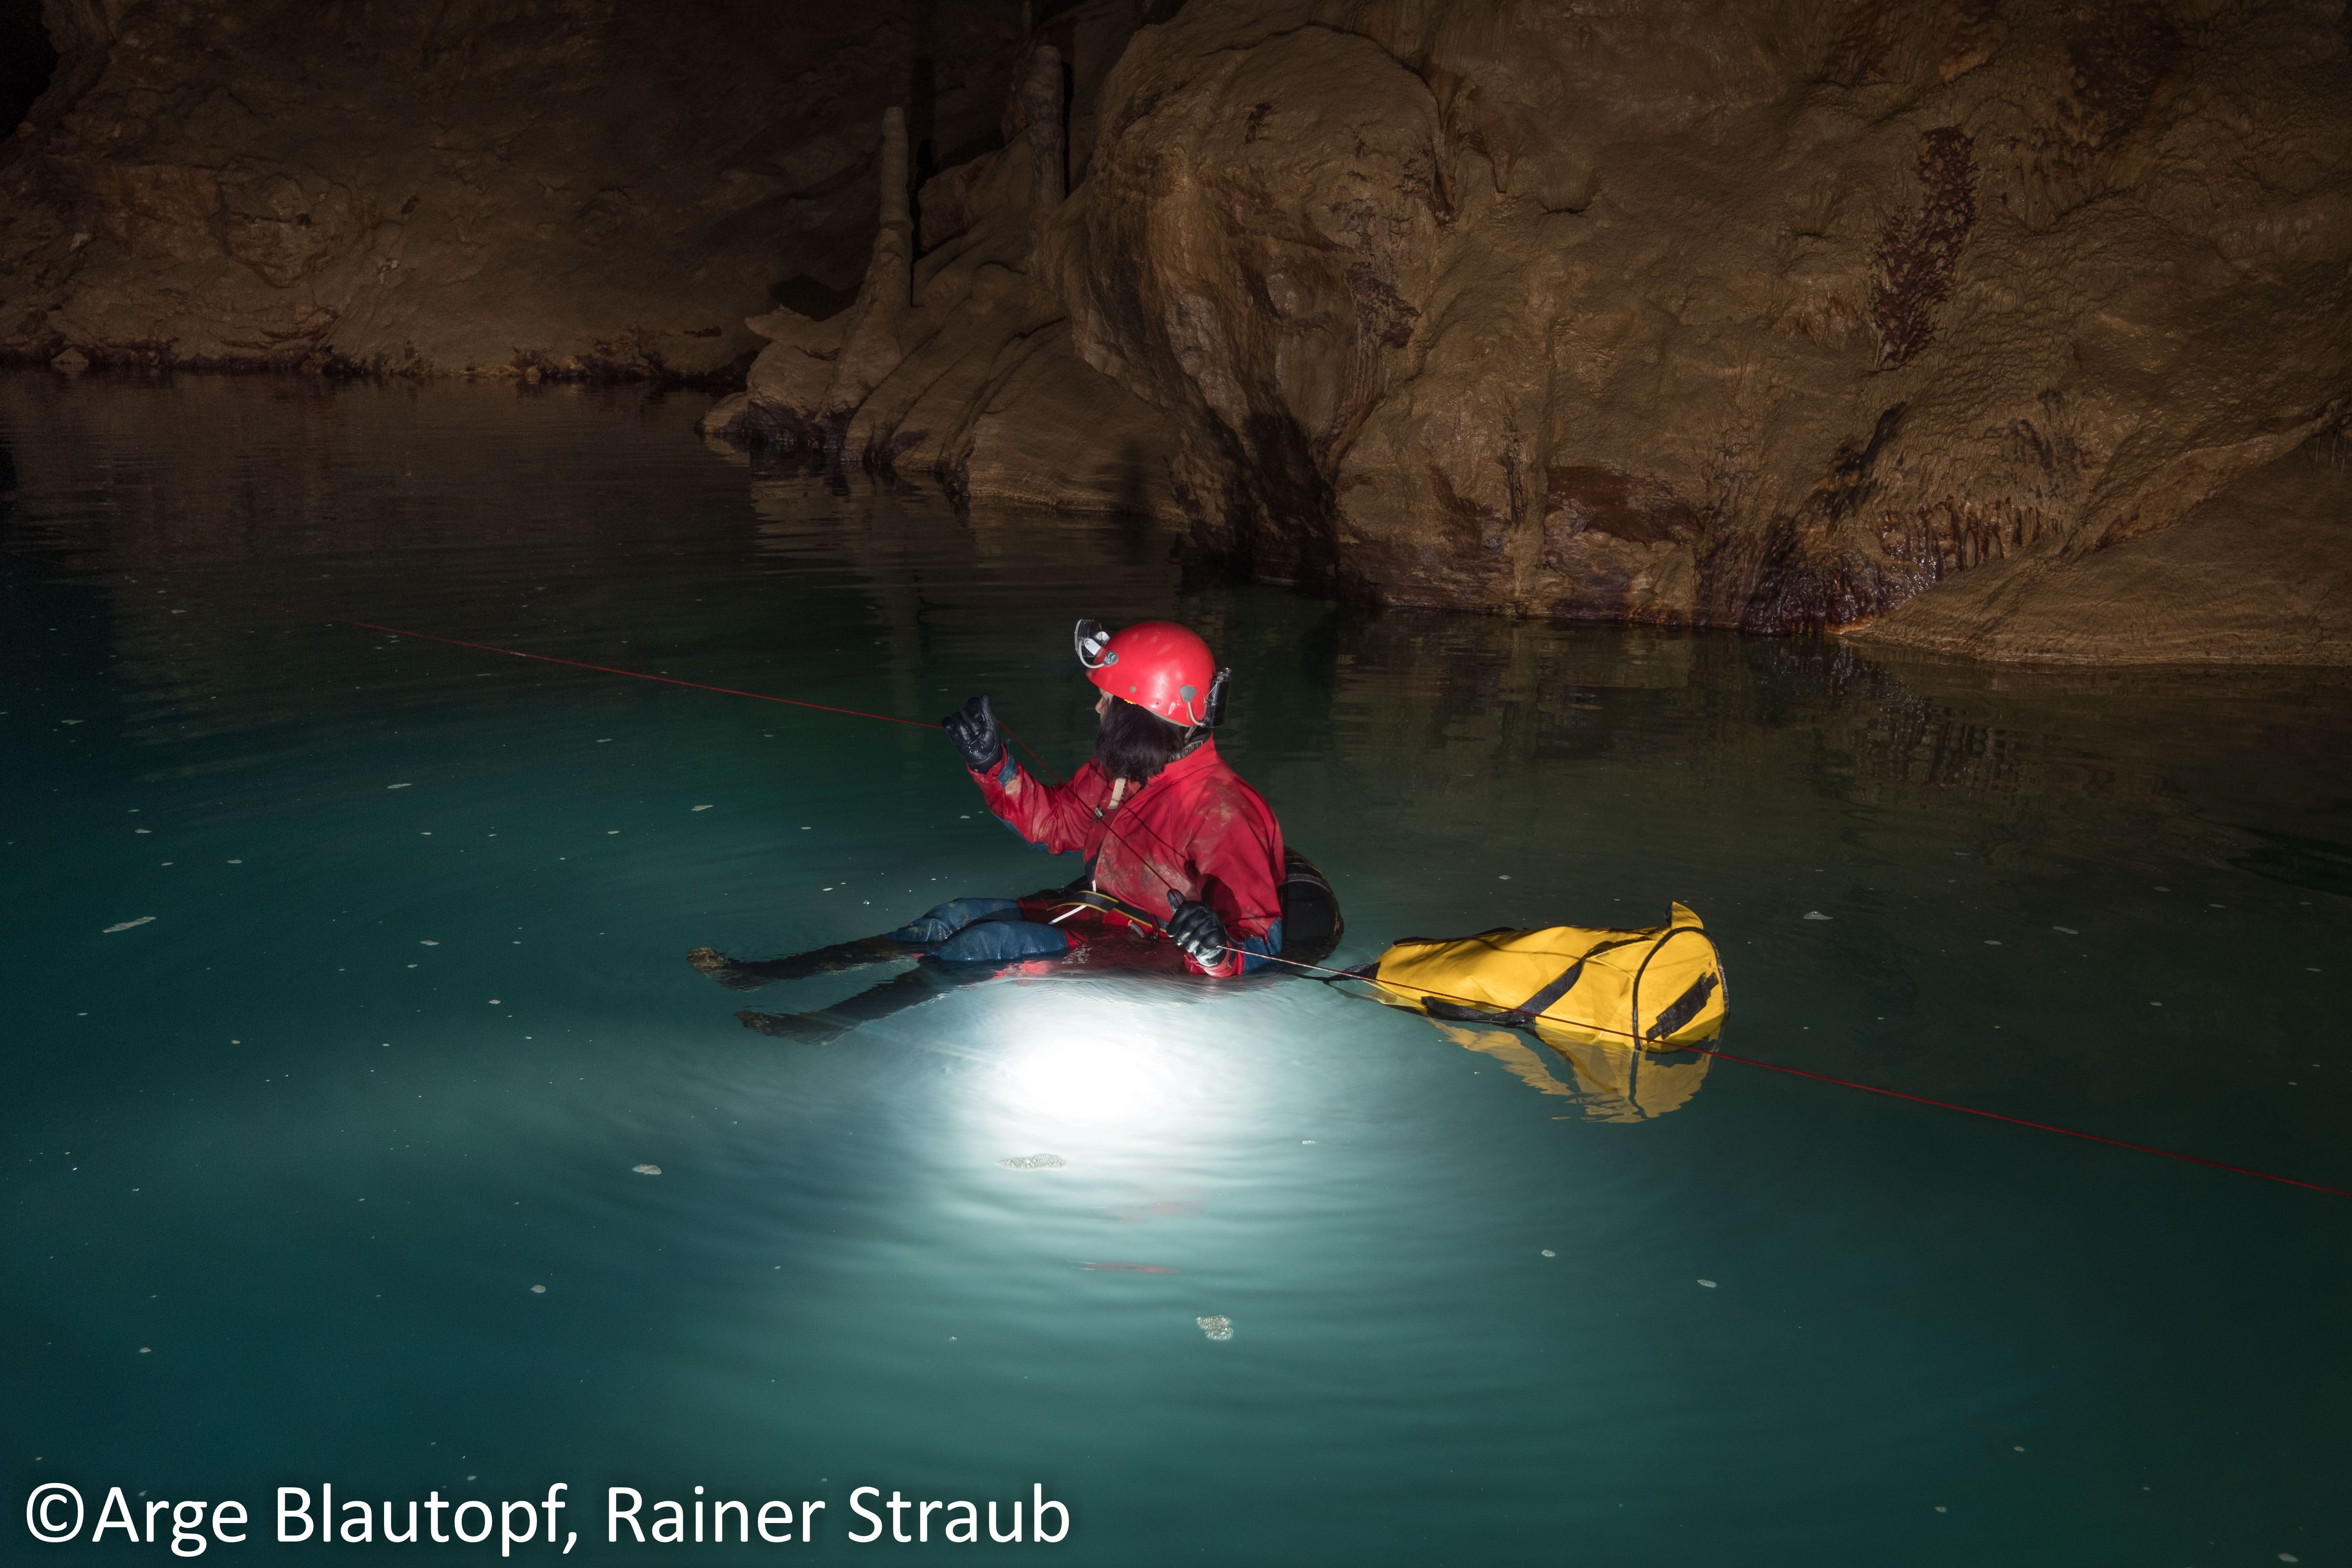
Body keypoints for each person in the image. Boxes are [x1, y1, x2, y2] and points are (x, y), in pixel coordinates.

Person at [696, 620, 1297, 1044]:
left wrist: (1213, 946)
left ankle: (828, 1026)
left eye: (1107, 701)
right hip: (1102, 914)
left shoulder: (1222, 810)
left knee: (986, 945)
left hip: (1157, 952)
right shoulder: (1125, 770)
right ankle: (772, 974)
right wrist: (992, 765)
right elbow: (1055, 826)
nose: (1096, 711)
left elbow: (1257, 947)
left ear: (1146, 711)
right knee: (952, 917)